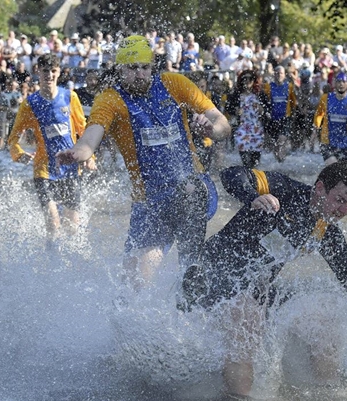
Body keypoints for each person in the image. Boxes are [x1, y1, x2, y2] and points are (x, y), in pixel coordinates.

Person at [180, 162, 347, 397]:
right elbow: (231, 174)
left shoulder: (324, 230)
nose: (344, 210)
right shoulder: (285, 191)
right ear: (319, 189)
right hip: (208, 279)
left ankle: (326, 393)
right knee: (246, 315)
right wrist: (253, 197)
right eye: (339, 200)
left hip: (254, 291)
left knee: (324, 320)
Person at [56, 35, 231, 289]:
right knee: (132, 287)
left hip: (194, 188)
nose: (140, 74)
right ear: (120, 69)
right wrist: (78, 153)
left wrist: (212, 131)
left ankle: (192, 276)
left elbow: (222, 123)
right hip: (149, 203)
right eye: (132, 68)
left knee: (189, 192)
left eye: (144, 67)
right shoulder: (110, 100)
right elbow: (91, 137)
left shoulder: (175, 84)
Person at [8, 53, 92, 245]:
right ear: (38, 72)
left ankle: (71, 266)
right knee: (53, 223)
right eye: (45, 71)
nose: (50, 75)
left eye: (53, 71)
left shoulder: (70, 97)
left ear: (59, 72)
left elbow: (83, 129)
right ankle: (51, 262)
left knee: (73, 227)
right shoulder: (30, 104)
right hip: (43, 169)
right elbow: (13, 138)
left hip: (71, 168)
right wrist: (18, 154)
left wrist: (89, 155)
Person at [312, 71, 347, 164]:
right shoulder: (325, 98)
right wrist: (315, 129)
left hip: (345, 142)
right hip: (327, 140)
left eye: (344, 82)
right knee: (333, 166)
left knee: (344, 172)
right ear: (334, 84)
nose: (341, 84)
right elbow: (319, 115)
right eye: (339, 82)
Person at [261, 65, 297, 162]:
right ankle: (280, 162)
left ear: (284, 75)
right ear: (274, 74)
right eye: (277, 73)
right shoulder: (268, 87)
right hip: (272, 119)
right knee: (274, 145)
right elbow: (264, 101)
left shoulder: (289, 86)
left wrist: (293, 116)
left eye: (281, 73)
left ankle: (282, 162)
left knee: (281, 140)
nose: (279, 75)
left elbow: (294, 103)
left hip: (285, 118)